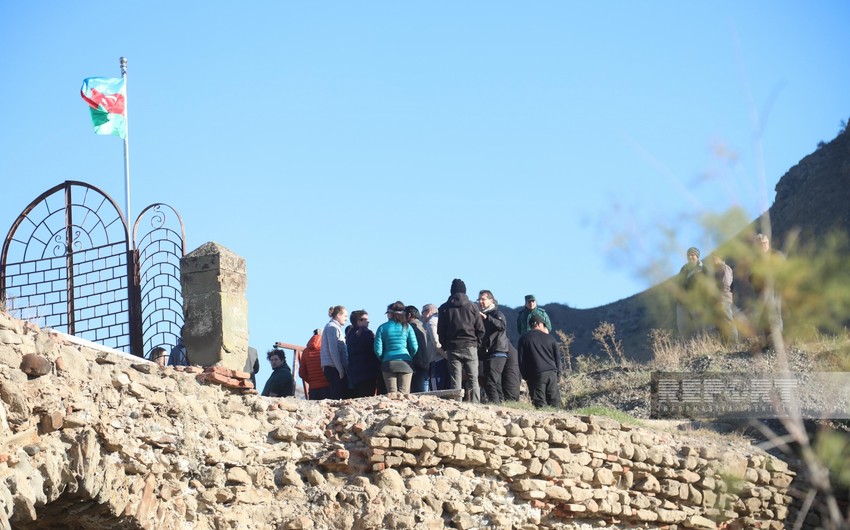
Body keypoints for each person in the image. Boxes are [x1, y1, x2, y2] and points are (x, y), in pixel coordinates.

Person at [437, 279, 485, 403]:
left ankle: (457, 405)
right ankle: (476, 405)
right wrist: (476, 343)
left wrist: (446, 346)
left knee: (455, 380)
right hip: (470, 346)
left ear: (451, 291)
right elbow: (480, 329)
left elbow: (440, 331)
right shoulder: (472, 306)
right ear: (465, 291)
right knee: (473, 378)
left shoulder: (444, 308)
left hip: (453, 348)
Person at [374, 301, 418, 394]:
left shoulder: (382, 327)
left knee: (392, 394)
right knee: (404, 394)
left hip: (388, 363)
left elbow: (378, 350)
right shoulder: (408, 327)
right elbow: (414, 347)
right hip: (405, 362)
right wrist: (408, 356)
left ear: (390, 314)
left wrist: (384, 358)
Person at [518, 315, 561, 408]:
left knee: (539, 403)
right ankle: (557, 420)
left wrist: (526, 376)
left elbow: (521, 361)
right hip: (551, 373)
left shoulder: (524, 339)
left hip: (535, 374)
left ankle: (542, 421)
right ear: (539, 324)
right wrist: (558, 375)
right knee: (554, 401)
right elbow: (557, 358)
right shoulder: (550, 338)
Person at [750, 233, 785, 348]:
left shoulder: (775, 255)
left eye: (764, 243)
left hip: (773, 290)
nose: (762, 246)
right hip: (760, 292)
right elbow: (751, 276)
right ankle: (767, 343)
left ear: (768, 243)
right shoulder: (755, 260)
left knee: (774, 314)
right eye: (760, 244)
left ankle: (777, 343)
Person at [477, 290, 510, 404]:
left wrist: (486, 318)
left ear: (491, 300)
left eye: (483, 299)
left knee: (489, 382)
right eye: (479, 299)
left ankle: (495, 406)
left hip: (497, 352)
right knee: (496, 383)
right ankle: (501, 406)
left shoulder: (496, 313)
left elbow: (501, 326)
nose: (480, 302)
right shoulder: (483, 316)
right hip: (489, 353)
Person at [347, 310, 382, 397]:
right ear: (358, 321)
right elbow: (374, 351)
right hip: (368, 373)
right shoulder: (367, 333)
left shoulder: (350, 334)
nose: (368, 321)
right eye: (365, 319)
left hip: (355, 374)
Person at [676, 247, 708, 340]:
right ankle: (688, 350)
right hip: (682, 302)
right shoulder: (684, 269)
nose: (690, 257)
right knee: (683, 327)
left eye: (692, 255)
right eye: (688, 255)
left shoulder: (703, 269)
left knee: (700, 326)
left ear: (697, 256)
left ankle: (703, 345)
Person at [708, 254, 738, 345]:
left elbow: (726, 284)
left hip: (723, 298)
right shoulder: (715, 270)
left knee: (727, 320)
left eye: (714, 257)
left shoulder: (725, 268)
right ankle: (725, 344)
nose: (712, 259)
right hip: (717, 300)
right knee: (720, 323)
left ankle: (733, 343)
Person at [321, 305, 349, 399]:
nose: (346, 318)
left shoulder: (334, 328)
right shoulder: (332, 328)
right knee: (337, 395)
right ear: (338, 315)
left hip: (334, 367)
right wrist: (340, 369)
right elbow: (333, 350)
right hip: (333, 367)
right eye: (345, 316)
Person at [422, 303, 449, 391]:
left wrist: (446, 356)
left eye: (422, 312)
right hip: (445, 358)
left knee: (436, 390)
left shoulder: (431, 322)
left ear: (428, 312)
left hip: (436, 359)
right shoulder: (442, 319)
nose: (422, 316)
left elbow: (436, 342)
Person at [406, 306, 432, 393]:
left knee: (416, 393)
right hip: (425, 363)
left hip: (416, 364)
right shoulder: (423, 326)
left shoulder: (410, 328)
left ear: (409, 315)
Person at [299, 329, 330, 400]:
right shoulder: (326, 348)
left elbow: (301, 373)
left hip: (313, 389)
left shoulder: (305, 351)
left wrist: (311, 381)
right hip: (327, 387)